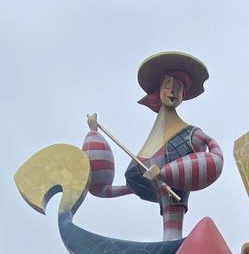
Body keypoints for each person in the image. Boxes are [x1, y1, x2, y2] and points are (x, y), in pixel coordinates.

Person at [83, 52, 223, 241]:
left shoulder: (192, 136)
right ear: (159, 89)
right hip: (162, 188)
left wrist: (164, 174)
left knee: (172, 221)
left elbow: (214, 158)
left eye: (178, 88)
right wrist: (95, 133)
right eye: (168, 85)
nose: (172, 91)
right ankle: (170, 243)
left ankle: (172, 241)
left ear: (183, 95)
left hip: (174, 207)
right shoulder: (153, 145)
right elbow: (123, 188)